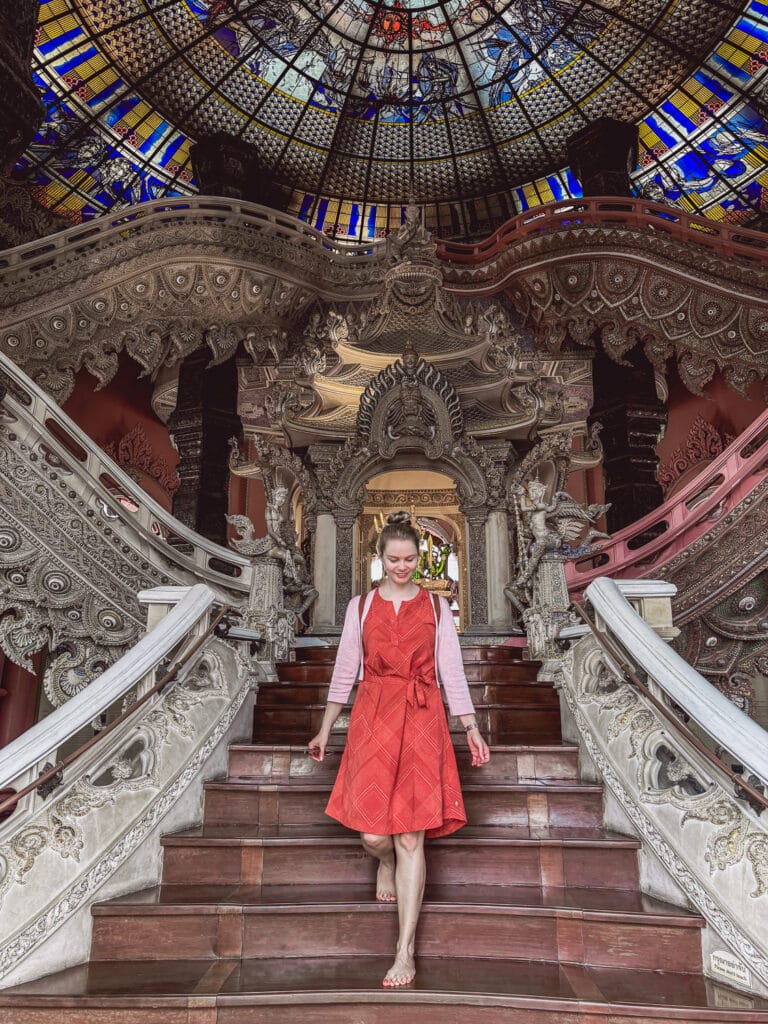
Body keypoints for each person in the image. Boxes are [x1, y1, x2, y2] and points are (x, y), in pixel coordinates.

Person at [307, 511, 490, 988]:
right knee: (373, 835)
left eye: (410, 558)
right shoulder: (361, 607)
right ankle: (383, 862)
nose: (403, 566)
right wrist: (326, 729)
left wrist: (469, 727)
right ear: (381, 557)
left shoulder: (433, 607)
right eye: (394, 558)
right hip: (372, 717)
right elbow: (346, 669)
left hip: (422, 716)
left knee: (411, 835)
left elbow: (451, 669)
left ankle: (404, 951)